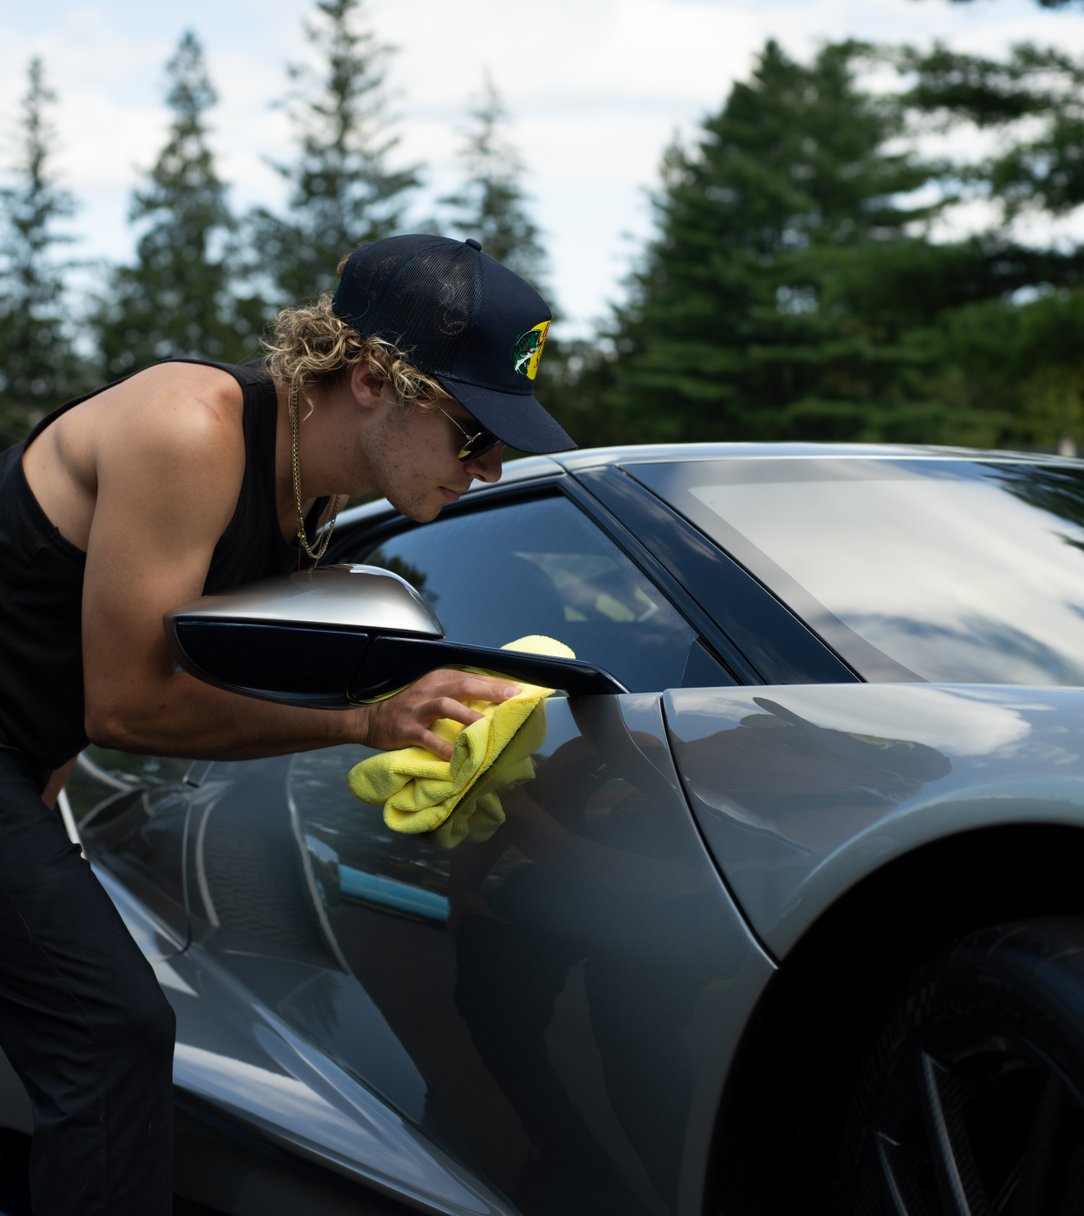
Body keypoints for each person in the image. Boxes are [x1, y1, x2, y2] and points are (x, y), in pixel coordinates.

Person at [0, 233, 575, 1214]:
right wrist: (366, 723)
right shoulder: (188, 427)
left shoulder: (306, 507)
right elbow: (127, 703)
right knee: (112, 1030)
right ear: (369, 378)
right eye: (472, 430)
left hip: (26, 772)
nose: (487, 467)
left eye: (504, 442)